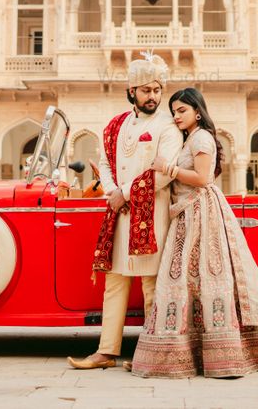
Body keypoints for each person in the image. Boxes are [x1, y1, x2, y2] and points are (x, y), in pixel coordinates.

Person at [130, 87, 258, 378]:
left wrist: (169, 168)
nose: (177, 116)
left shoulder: (201, 137)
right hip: (189, 212)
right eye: (174, 111)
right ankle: (194, 353)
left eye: (182, 111)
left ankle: (217, 354)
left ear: (197, 111)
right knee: (191, 282)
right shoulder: (191, 137)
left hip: (201, 211)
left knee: (203, 278)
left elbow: (202, 178)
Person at [67, 50, 183, 370]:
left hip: (152, 216)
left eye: (157, 90)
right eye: (146, 90)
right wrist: (112, 192)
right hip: (120, 214)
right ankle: (106, 351)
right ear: (131, 91)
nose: (153, 96)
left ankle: (151, 353)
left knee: (149, 285)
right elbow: (105, 163)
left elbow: (164, 173)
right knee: (115, 282)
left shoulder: (168, 127)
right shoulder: (117, 124)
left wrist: (127, 194)